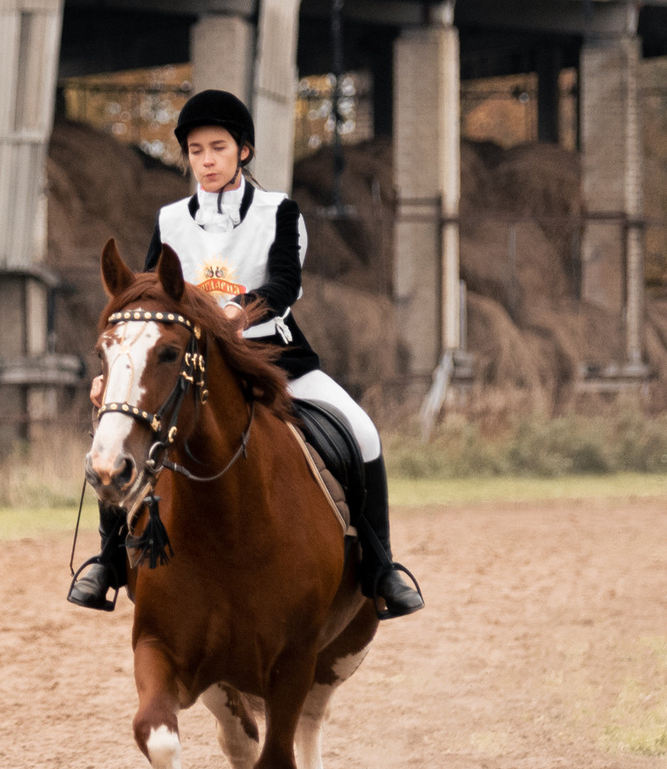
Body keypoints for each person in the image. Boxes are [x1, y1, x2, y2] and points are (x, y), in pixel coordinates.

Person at [69, 89, 423, 619]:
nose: (206, 161)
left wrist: (236, 313)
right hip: (190, 366)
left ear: (244, 152)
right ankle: (109, 560)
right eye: (196, 151)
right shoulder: (171, 220)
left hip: (272, 356)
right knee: (121, 434)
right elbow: (150, 295)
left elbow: (285, 284)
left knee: (363, 432)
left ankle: (380, 567)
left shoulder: (279, 212)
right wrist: (121, 373)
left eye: (218, 148)